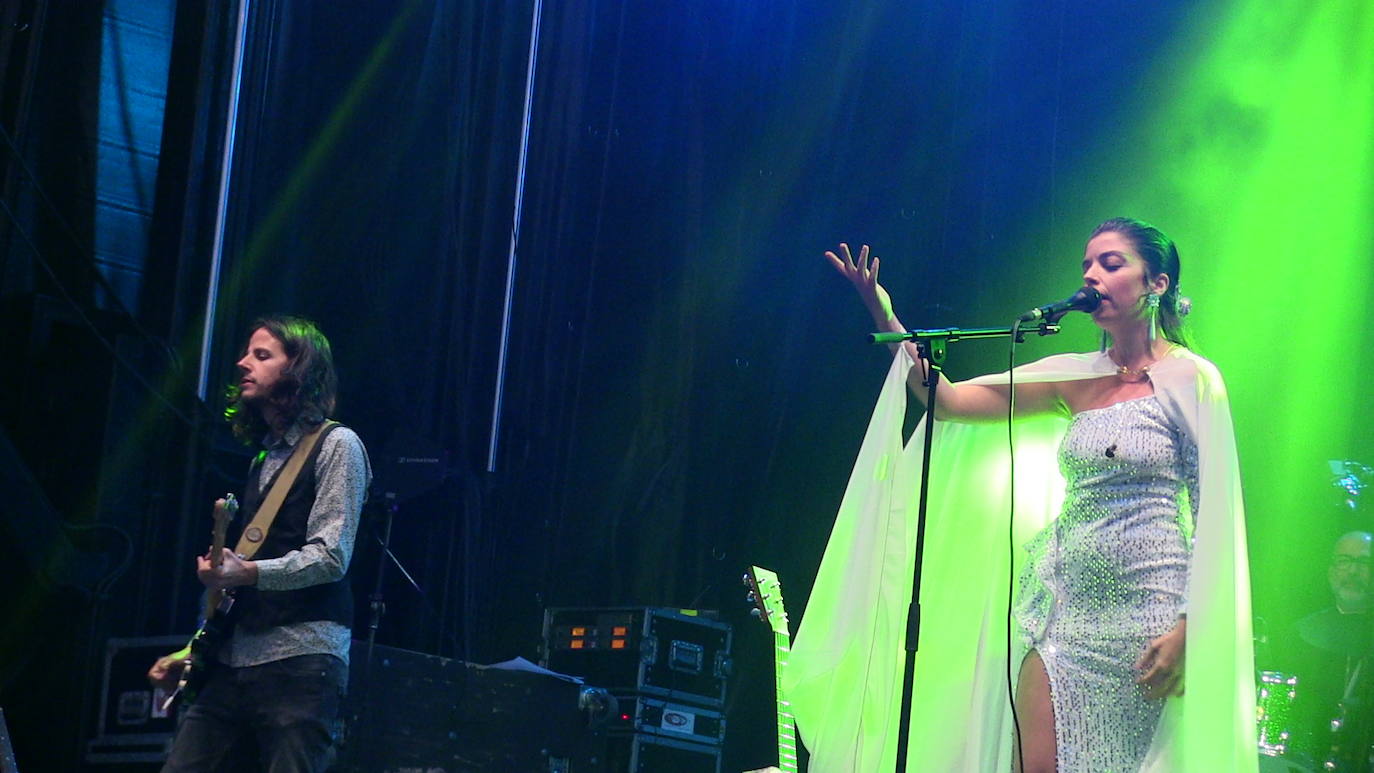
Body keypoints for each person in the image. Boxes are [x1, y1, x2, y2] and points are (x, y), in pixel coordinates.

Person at [784, 218, 1254, 772]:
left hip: (1147, 617)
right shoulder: (1074, 376)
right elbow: (948, 401)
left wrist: (1188, 627)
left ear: (1157, 283)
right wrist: (884, 313)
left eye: (1111, 262)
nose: (1091, 274)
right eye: (1086, 264)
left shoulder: (1192, 380)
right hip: (1063, 615)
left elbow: (1214, 515)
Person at [148, 316, 372, 772]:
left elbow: (331, 556)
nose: (241, 363)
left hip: (302, 663)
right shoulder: (265, 457)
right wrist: (193, 649)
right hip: (233, 662)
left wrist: (247, 572)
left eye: (262, 355)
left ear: (298, 371)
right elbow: (238, 588)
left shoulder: (338, 445)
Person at [1274, 531, 1374, 768]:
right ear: (1331, 572)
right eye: (1344, 561)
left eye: (1363, 562)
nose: (1352, 571)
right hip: (1302, 755)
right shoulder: (1300, 633)